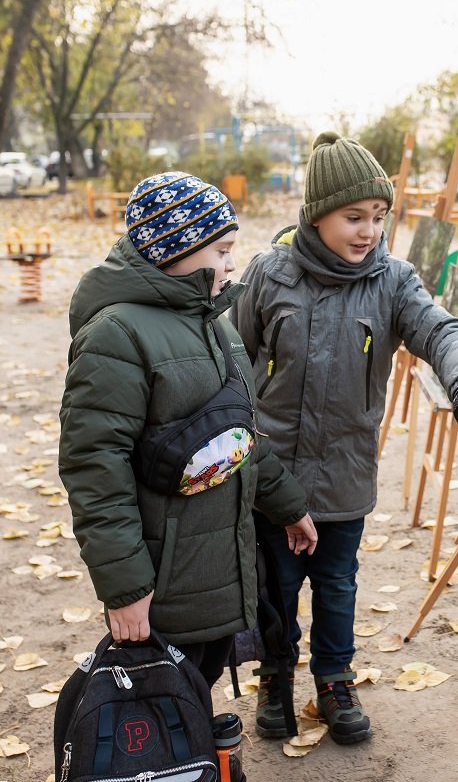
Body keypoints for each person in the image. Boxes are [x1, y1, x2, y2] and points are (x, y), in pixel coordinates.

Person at [231, 132, 458, 744]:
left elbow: (439, 329)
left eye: (379, 218)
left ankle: (334, 679)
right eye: (353, 217)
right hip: (272, 473)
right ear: (316, 215)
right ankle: (275, 675)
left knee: (337, 584)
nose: (368, 231)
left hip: (345, 472)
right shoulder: (268, 274)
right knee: (275, 585)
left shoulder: (392, 279)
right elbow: (232, 357)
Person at [59, 171, 318, 687]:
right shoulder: (116, 334)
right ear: (175, 247)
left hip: (217, 566)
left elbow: (237, 434)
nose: (231, 263)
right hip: (163, 577)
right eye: (221, 251)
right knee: (168, 698)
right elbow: (95, 468)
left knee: (198, 691)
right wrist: (126, 588)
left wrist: (288, 506)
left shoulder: (210, 321)